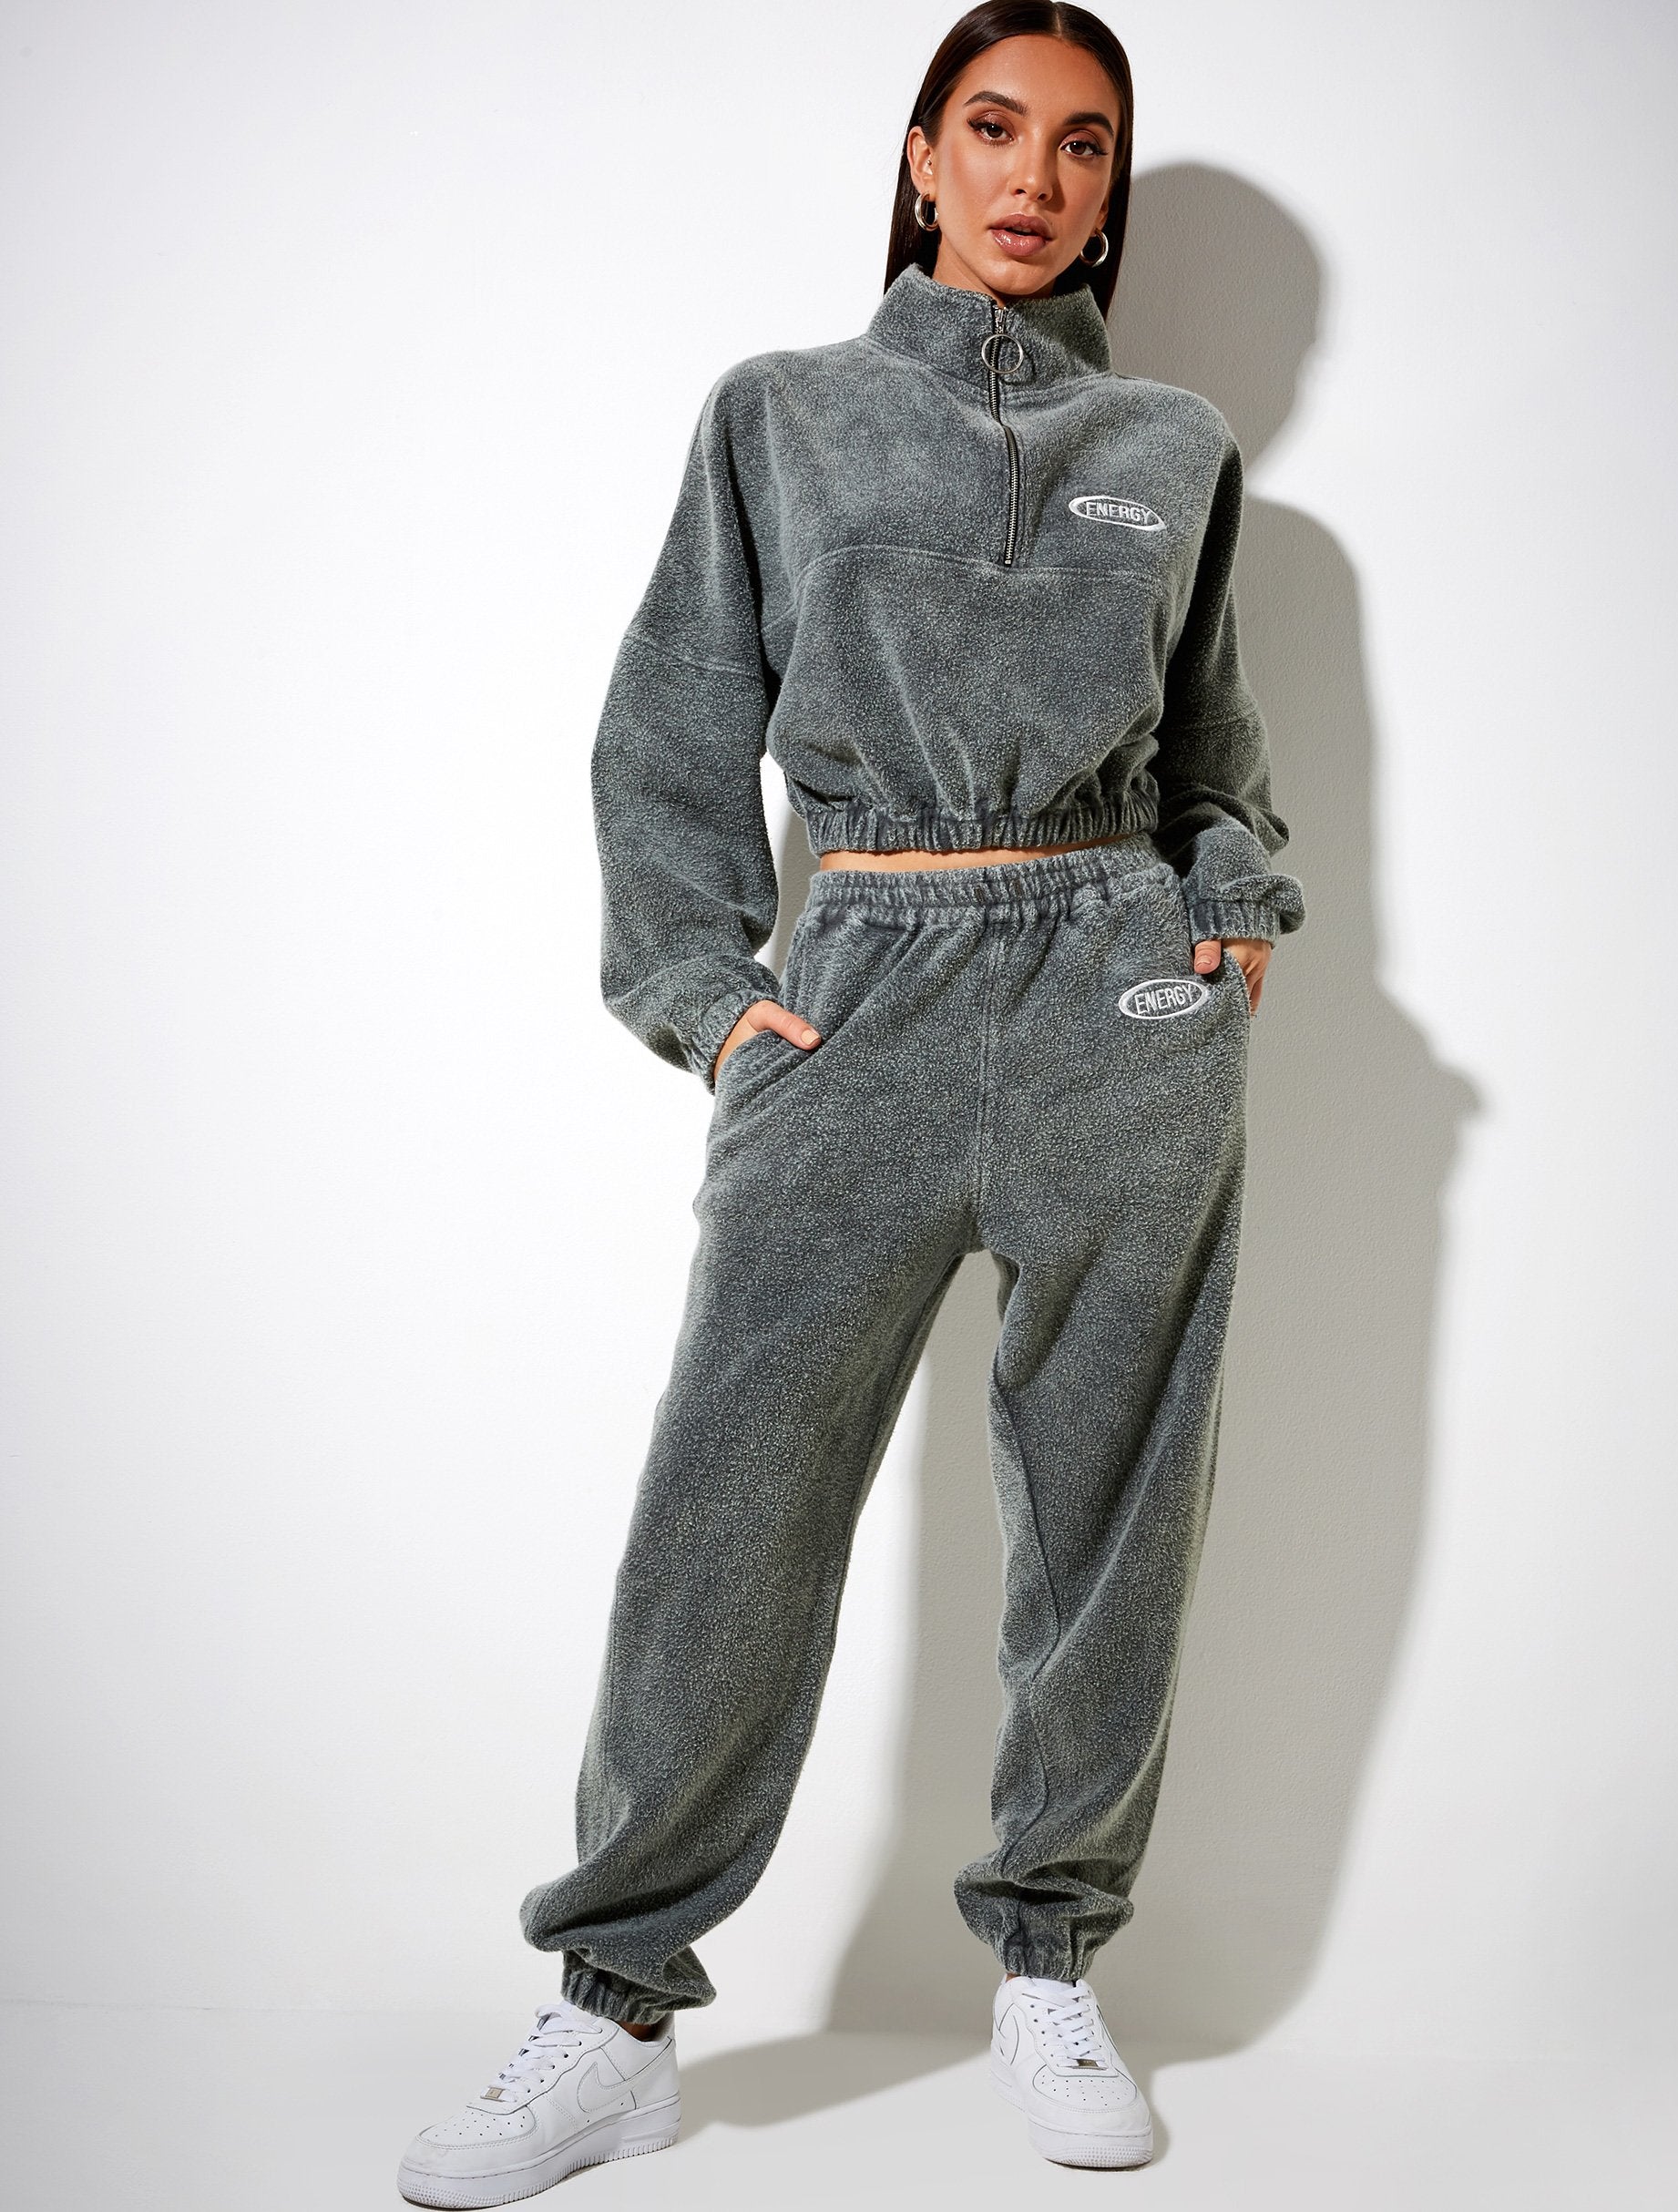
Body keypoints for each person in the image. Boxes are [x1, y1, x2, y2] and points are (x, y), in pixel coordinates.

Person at [396, 3, 1305, 2198]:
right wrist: (710, 999)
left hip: (1116, 1004)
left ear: (1107, 186)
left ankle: (1051, 1957)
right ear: (920, 156)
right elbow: (666, 729)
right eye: (993, 128)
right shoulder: (779, 415)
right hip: (858, 990)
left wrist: (1231, 908)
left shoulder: (1174, 445)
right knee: (733, 1500)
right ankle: (614, 2004)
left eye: (1080, 146)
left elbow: (1212, 746)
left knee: (1110, 1514)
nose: (1034, 179)